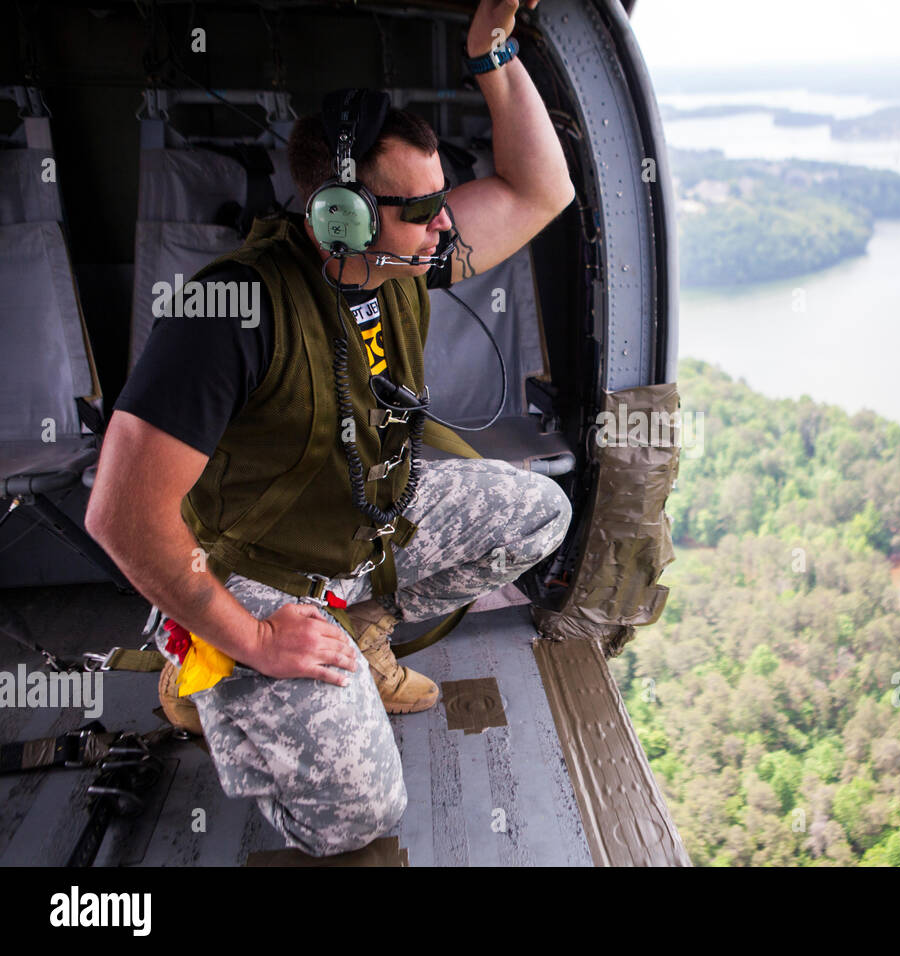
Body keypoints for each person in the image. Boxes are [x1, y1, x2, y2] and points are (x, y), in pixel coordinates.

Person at [85, 0, 575, 856]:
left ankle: (356, 624)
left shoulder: (405, 257)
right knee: (361, 820)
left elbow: (544, 190)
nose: (443, 224)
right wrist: (257, 637)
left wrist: (490, 53)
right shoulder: (224, 312)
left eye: (441, 200)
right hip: (256, 570)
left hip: (362, 518)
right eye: (418, 207)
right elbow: (121, 518)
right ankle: (201, 671)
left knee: (541, 511)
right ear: (338, 216)